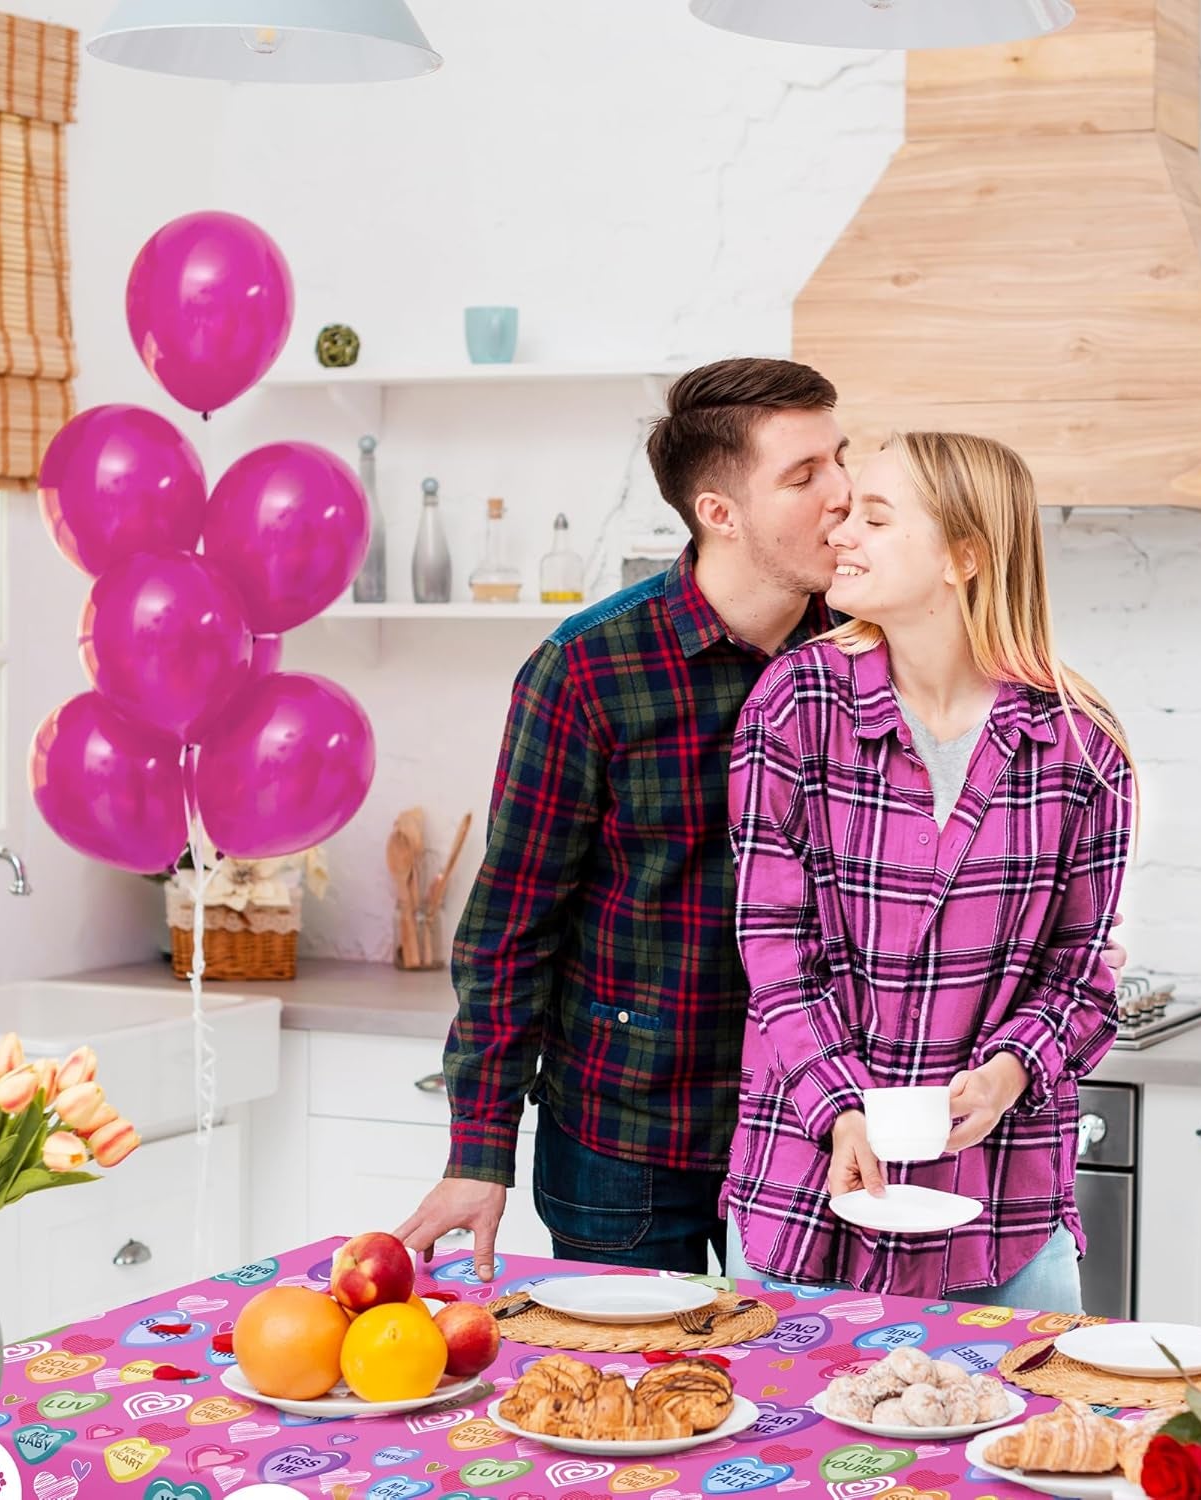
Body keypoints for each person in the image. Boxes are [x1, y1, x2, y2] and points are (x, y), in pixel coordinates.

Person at [394, 363, 1127, 1284]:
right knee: (646, 1396)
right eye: (804, 476)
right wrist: (478, 1149)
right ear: (721, 513)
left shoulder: (870, 639)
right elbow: (509, 930)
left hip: (812, 1121)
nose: (842, 497)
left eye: (842, 462)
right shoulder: (590, 670)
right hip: (634, 1133)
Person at [724, 431, 1135, 1312]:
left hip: (1005, 1213)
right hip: (807, 1193)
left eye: (875, 517)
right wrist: (840, 1108)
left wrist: (1012, 1072)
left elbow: (1084, 974)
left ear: (965, 556)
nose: (842, 533)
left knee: (1025, 1447)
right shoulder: (795, 705)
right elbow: (772, 949)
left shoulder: (1080, 744)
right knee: (789, 1444)